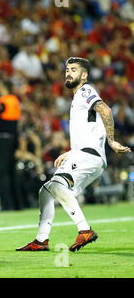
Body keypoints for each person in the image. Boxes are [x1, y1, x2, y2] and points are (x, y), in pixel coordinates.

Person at [17, 57, 131, 252]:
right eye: (67, 70)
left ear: (84, 75)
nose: (68, 73)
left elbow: (105, 109)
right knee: (46, 191)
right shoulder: (77, 98)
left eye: (74, 70)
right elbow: (89, 129)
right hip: (86, 154)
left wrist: (111, 141)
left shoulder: (85, 90)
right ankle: (41, 240)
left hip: (90, 155)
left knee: (56, 184)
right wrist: (71, 153)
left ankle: (84, 229)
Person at [0, 80, 21, 210]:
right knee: (12, 172)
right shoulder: (15, 101)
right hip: (13, 138)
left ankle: (7, 203)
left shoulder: (3, 101)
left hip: (2, 139)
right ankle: (18, 203)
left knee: (3, 172)